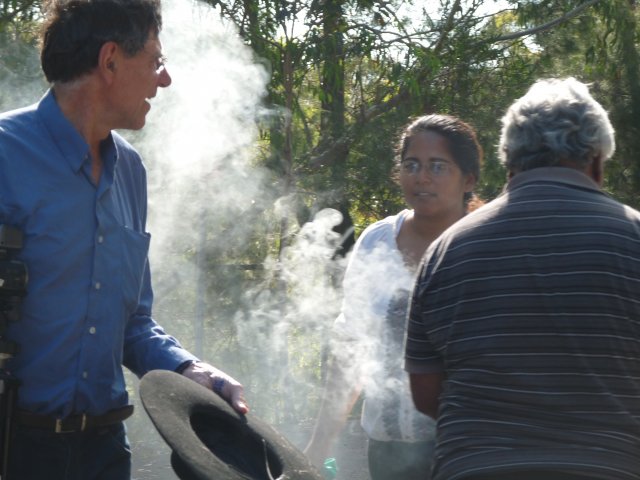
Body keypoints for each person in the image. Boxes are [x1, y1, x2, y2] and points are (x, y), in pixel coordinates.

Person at [0, 1, 248, 478]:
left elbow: (133, 321)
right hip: (12, 450)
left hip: (105, 452)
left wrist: (188, 370)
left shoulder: (130, 170)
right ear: (110, 60)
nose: (165, 79)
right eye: (156, 61)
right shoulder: (6, 154)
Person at [405, 77, 640, 480]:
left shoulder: (446, 250)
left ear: (509, 160)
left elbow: (426, 393)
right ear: (598, 161)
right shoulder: (633, 237)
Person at [304, 114, 483, 480]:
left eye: (437, 166)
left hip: (468, 449)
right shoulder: (377, 241)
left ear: (468, 179)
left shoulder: (486, 246)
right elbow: (350, 348)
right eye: (411, 165)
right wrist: (318, 447)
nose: (422, 176)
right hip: (388, 449)